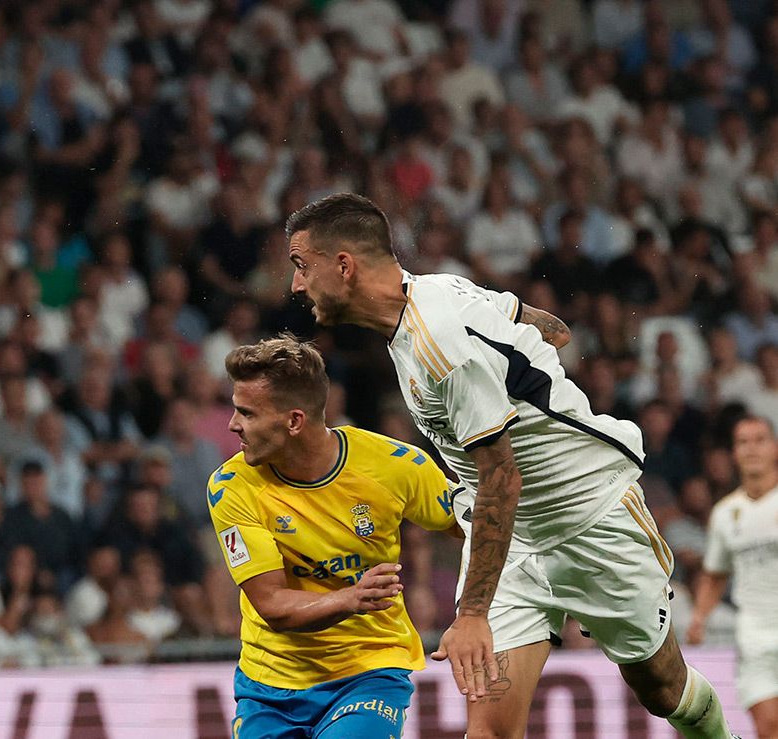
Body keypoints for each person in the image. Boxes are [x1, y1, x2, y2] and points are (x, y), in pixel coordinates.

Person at [285, 191, 736, 739]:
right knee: (491, 731)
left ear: (344, 265)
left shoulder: (441, 347)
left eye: (301, 266)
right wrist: (528, 368)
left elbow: (503, 476)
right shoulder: (438, 289)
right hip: (510, 541)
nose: (295, 284)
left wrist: (471, 614)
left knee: (663, 689)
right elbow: (547, 325)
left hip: (590, 517)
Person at [209, 336, 459, 738]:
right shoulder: (231, 486)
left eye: (247, 413)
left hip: (368, 670)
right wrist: (351, 598)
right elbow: (271, 603)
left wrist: (474, 612)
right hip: (268, 684)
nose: (233, 424)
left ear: (294, 421)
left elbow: (477, 527)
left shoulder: (395, 466)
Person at [688, 416, 778, 738]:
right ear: (734, 453)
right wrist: (699, 617)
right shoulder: (725, 513)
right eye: (743, 442)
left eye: (760, 439)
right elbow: (714, 575)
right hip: (754, 637)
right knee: (769, 728)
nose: (751, 448)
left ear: (775, 448)